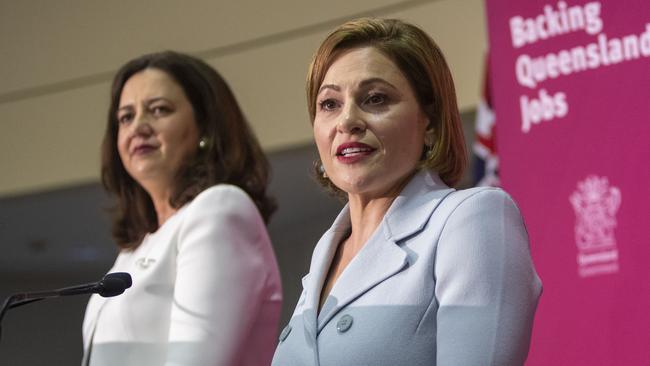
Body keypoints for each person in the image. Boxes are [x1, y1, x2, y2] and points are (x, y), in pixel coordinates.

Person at [272, 18, 542, 365]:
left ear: (428, 122)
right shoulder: (325, 254)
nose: (347, 120)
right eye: (329, 104)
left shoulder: (472, 218)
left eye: (375, 98)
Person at [82, 51, 282, 366]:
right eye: (126, 117)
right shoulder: (132, 251)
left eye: (159, 110)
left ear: (206, 127)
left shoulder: (219, 210)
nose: (139, 127)